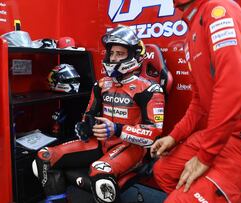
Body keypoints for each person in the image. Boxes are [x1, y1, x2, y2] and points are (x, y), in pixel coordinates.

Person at [150, 0, 241, 202]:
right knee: (163, 171)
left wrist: (205, 156)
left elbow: (233, 90)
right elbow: (199, 103)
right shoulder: (191, 34)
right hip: (227, 133)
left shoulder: (219, 10)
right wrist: (174, 136)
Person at [32, 26, 165, 203]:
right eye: (112, 53)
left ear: (134, 55)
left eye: (120, 53)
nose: (114, 58)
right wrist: (85, 127)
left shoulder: (150, 89)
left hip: (131, 147)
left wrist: (116, 129)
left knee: (99, 172)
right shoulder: (102, 84)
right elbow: (88, 115)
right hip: (100, 143)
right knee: (44, 156)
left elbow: (153, 135)